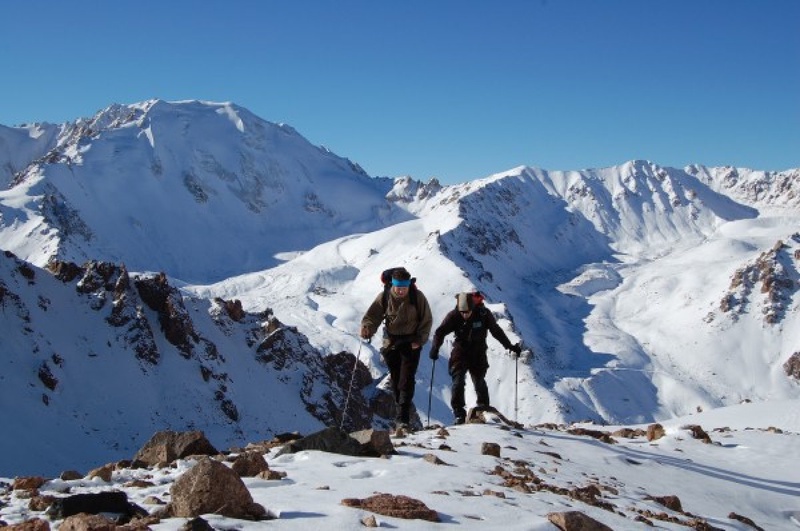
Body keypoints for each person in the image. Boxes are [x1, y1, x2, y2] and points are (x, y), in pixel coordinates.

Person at [429, 291, 522, 425]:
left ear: (473, 307)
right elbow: (440, 331)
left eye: (468, 312)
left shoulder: (483, 314)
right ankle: (459, 413)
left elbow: (496, 331)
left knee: (479, 381)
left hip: (478, 351)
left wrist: (510, 346)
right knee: (458, 380)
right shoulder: (454, 315)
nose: (465, 315)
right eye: (463, 312)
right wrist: (435, 348)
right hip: (460, 351)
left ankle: (483, 409)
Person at [360, 267, 433, 429]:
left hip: (411, 343)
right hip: (391, 344)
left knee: (406, 379)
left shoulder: (417, 297)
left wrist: (420, 340)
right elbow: (373, 316)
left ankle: (403, 418)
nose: (401, 291)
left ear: (409, 285)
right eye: (398, 288)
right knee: (395, 378)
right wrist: (367, 328)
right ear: (393, 285)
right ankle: (400, 413)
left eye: (404, 288)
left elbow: (426, 319)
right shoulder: (385, 297)